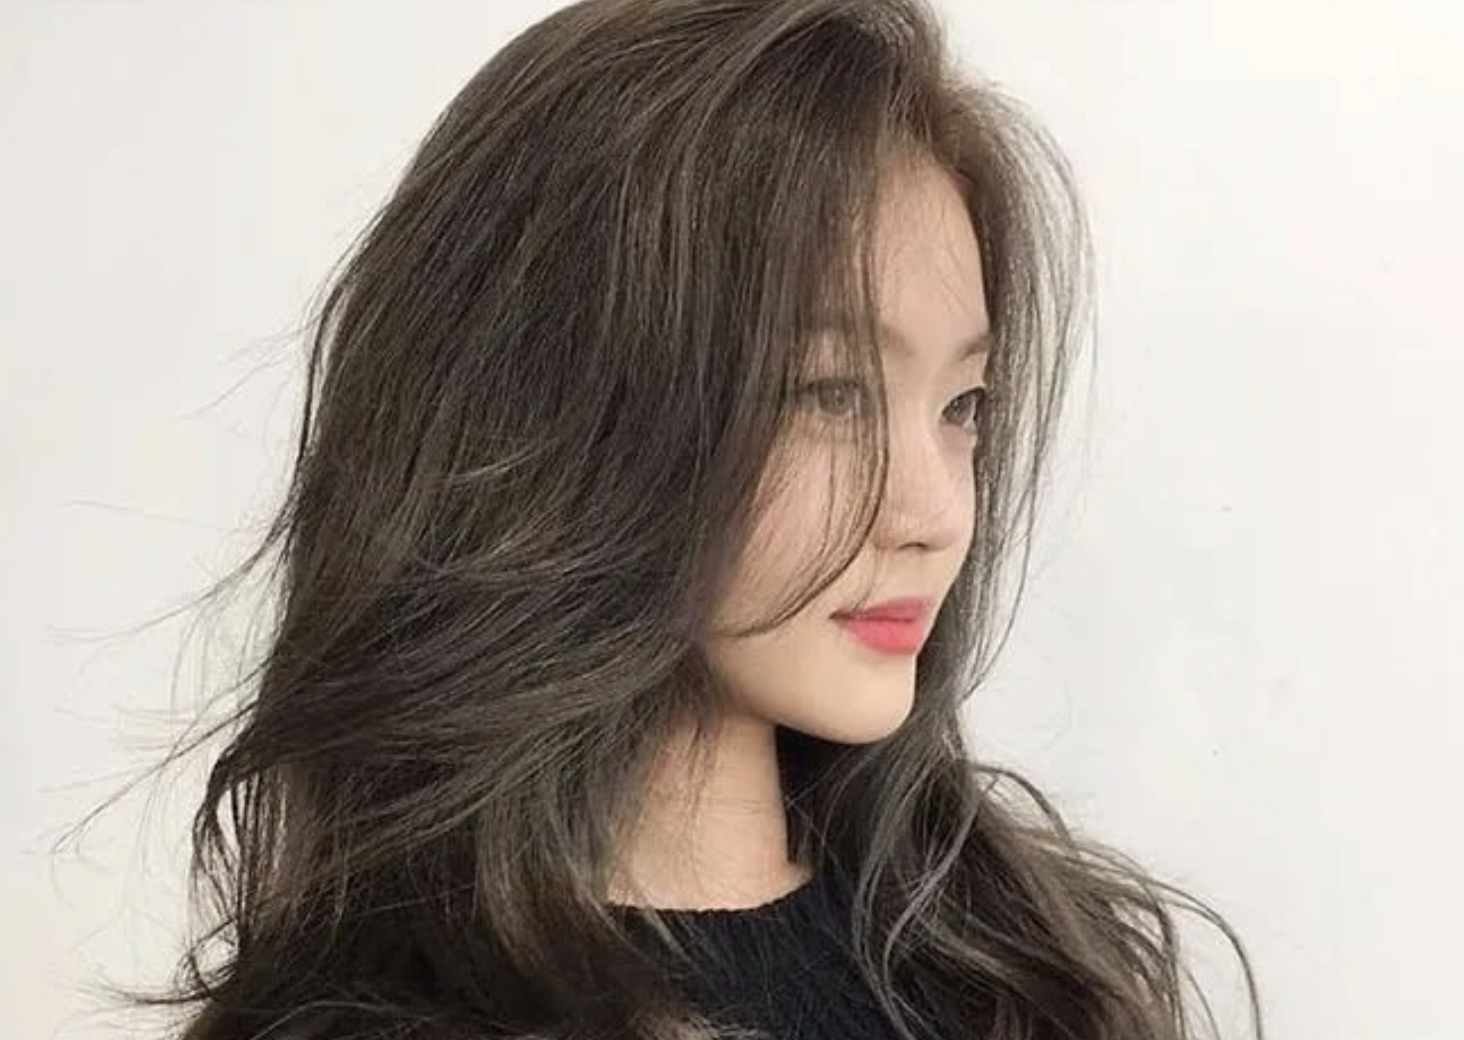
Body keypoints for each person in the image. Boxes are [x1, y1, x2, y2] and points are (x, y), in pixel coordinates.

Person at [74, 1, 1266, 1038]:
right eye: (828, 394)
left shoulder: (1030, 974)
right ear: (565, 410)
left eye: (964, 405)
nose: (934, 510)